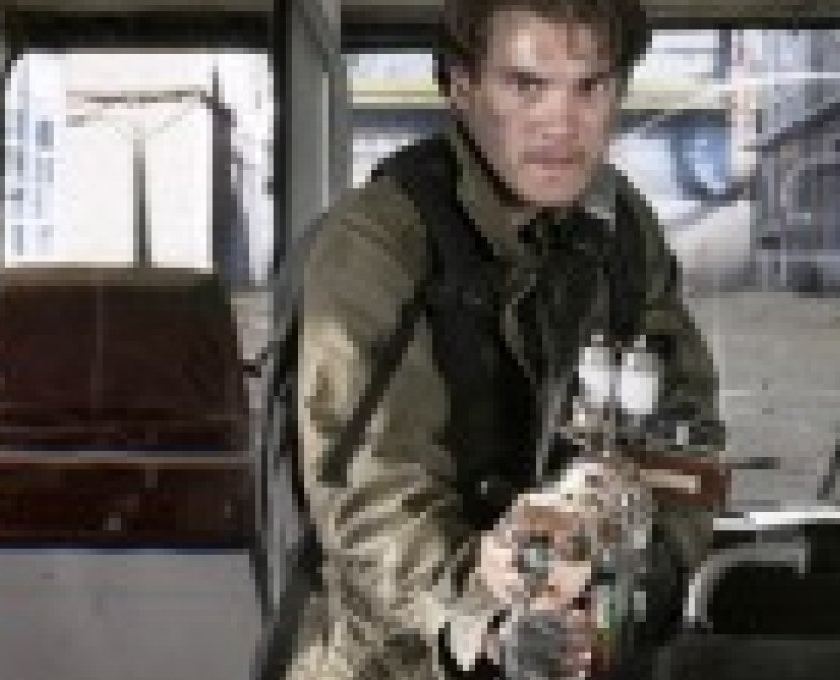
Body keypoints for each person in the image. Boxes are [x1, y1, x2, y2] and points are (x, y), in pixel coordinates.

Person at [284, 0, 724, 678]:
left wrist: (643, 578)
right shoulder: (381, 243)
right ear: (463, 88)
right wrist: (487, 620)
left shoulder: (622, 232)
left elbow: (683, 443)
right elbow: (367, 492)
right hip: (396, 658)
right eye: (525, 85)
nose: (561, 123)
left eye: (590, 86)